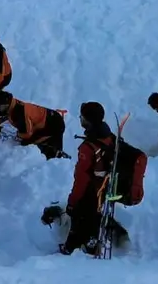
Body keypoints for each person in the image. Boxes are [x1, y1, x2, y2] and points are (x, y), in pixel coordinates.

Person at [60, 102, 146, 256]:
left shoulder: (88, 147)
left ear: (87, 120)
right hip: (106, 189)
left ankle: (71, 248)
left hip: (92, 191)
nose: (80, 118)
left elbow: (81, 179)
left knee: (78, 215)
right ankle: (92, 242)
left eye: (82, 116)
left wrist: (72, 202)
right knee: (94, 216)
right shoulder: (109, 136)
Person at [0, 91, 69, 159]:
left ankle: (57, 158)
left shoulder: (19, 113)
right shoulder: (13, 105)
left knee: (28, 143)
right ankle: (56, 154)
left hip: (54, 125)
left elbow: (27, 134)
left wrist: (18, 134)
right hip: (52, 119)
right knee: (36, 141)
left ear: (6, 104)